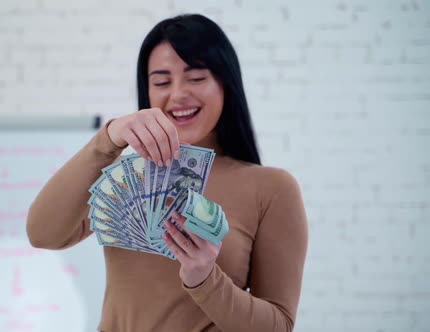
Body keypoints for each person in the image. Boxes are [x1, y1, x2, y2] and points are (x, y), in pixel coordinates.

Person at [26, 13, 308, 332]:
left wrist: (205, 279)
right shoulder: (127, 177)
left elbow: (279, 326)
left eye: (196, 77)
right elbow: (42, 233)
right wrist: (107, 141)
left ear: (225, 82)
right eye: (161, 81)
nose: (177, 94)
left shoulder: (270, 188)